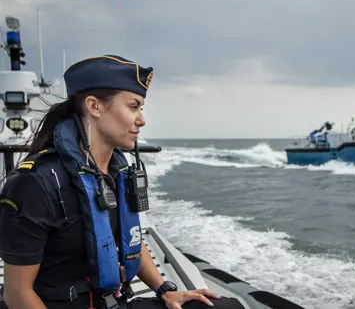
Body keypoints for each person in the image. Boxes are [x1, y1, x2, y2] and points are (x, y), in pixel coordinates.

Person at [0, 55, 244, 309]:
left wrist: (165, 289)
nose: (142, 119)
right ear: (94, 106)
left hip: (114, 303)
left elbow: (132, 239)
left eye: (141, 108)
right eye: (133, 106)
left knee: (226, 306)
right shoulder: (35, 184)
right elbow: (17, 294)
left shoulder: (119, 171)